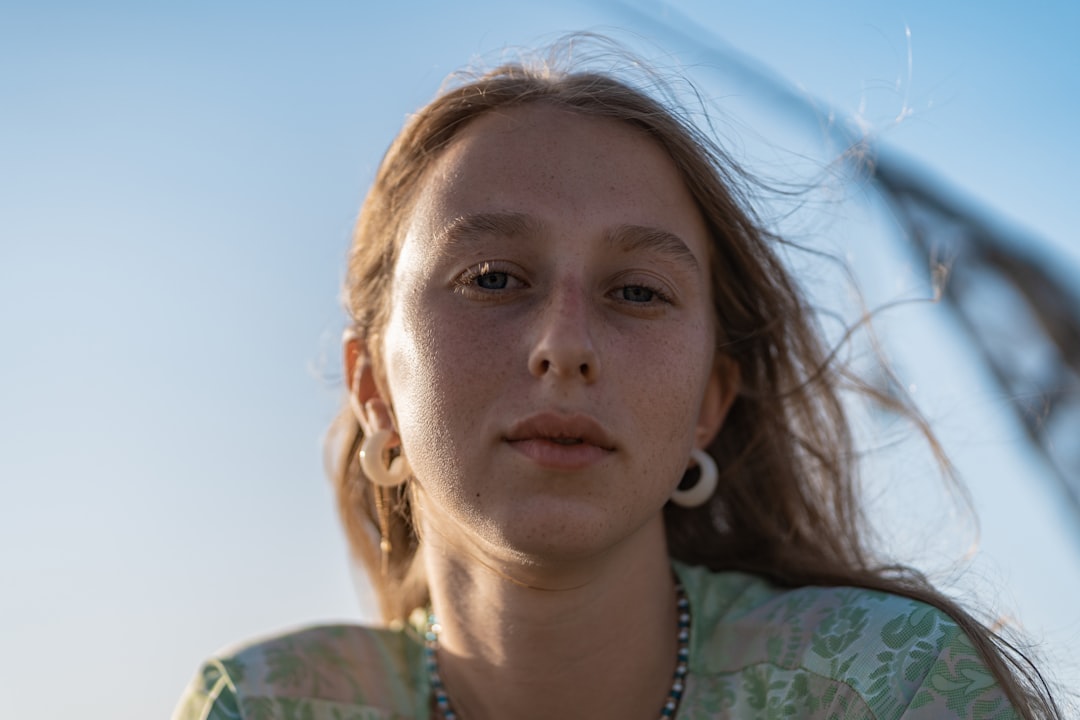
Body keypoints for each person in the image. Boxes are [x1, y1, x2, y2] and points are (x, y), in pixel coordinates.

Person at [173, 40, 1059, 719]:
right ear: (373, 391)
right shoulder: (273, 703)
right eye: (491, 279)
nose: (564, 345)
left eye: (636, 291)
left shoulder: (878, 684)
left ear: (711, 402)